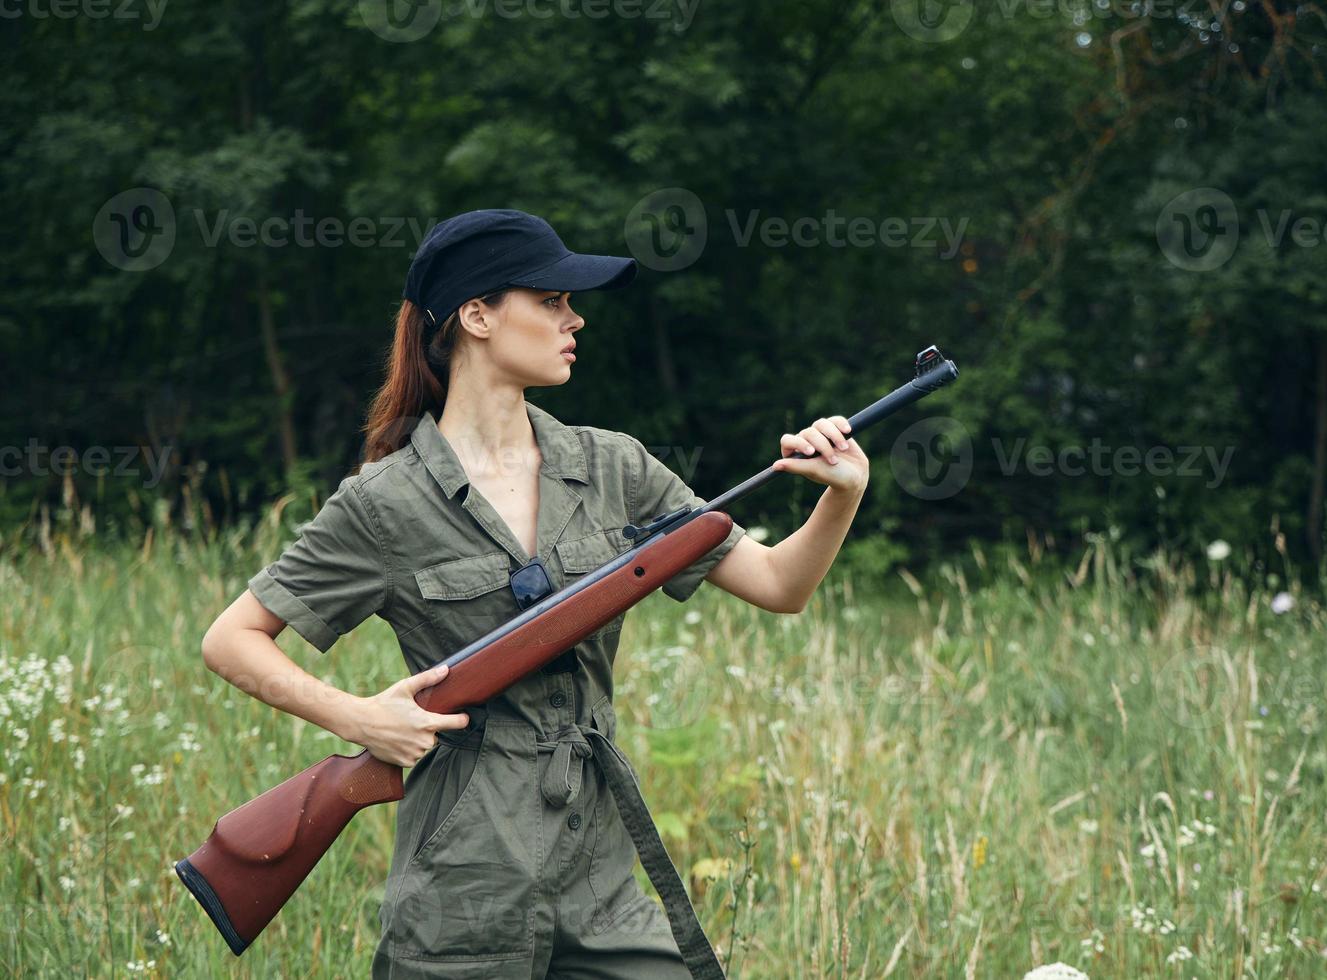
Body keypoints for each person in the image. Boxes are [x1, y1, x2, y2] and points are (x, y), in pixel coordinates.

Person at [199, 209, 869, 979]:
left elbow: (780, 584)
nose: (573, 318)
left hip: (600, 865)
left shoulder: (615, 466)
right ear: (477, 315)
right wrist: (360, 719)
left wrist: (841, 494)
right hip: (464, 877)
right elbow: (230, 639)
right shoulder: (383, 502)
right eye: (550, 300)